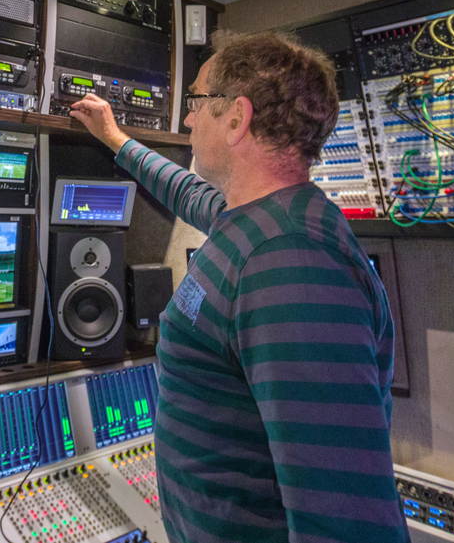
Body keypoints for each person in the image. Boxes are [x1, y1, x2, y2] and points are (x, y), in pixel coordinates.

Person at [69, 30, 405, 543]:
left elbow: (345, 515)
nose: (186, 119)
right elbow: (188, 193)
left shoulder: (292, 260)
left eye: (197, 102)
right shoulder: (254, 219)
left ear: (236, 118)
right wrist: (115, 138)